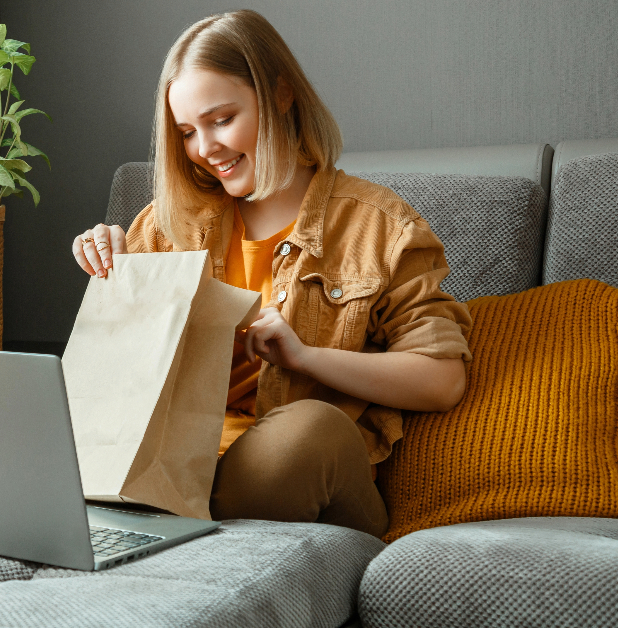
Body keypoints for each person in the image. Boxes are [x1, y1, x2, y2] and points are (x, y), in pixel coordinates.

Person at [70, 9, 472, 537]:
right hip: (170, 469)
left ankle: (180, 523)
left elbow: (442, 379)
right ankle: (151, 523)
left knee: (312, 430)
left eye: (221, 119)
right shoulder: (169, 221)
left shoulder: (381, 227)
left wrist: (305, 358)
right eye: (188, 131)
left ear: (281, 94)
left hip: (291, 474)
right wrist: (111, 271)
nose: (205, 149)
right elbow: (116, 383)